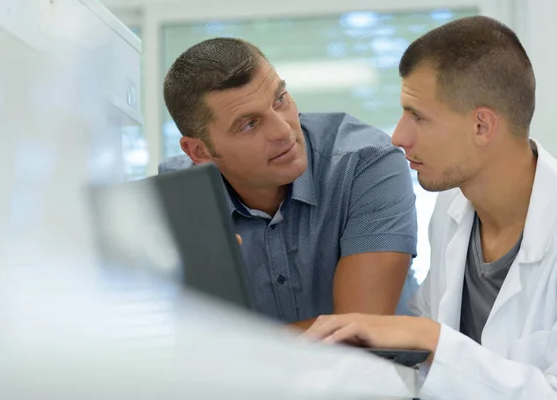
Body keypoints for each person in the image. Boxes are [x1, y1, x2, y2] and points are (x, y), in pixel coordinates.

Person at [304, 15, 557, 399]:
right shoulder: (453, 206)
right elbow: (425, 358)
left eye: (418, 116)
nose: (398, 137)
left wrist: (431, 339)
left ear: (482, 126)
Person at [158, 37, 418, 329]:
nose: (283, 131)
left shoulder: (367, 161)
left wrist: (229, 344)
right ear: (199, 152)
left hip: (374, 374)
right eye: (249, 124)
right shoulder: (177, 200)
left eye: (279, 100)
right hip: (247, 376)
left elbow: (356, 330)